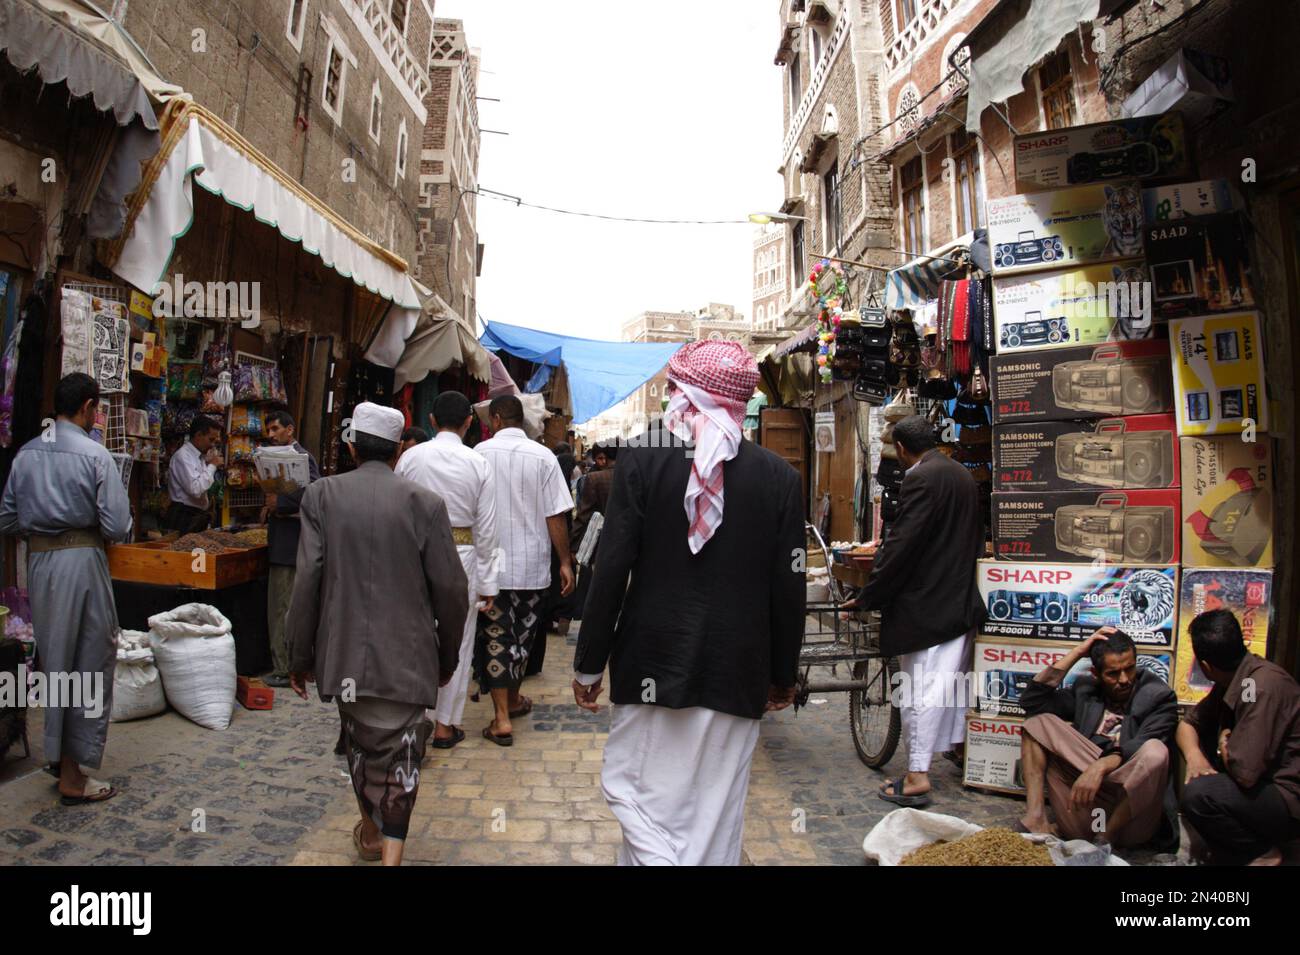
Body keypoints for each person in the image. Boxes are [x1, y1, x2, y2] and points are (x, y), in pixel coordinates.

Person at [573, 340, 806, 865]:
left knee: (642, 797)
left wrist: (589, 665)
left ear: (686, 392)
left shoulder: (641, 459)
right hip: (737, 669)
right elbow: (787, 586)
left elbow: (611, 569)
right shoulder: (779, 477)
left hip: (651, 662)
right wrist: (783, 674)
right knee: (714, 815)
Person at [286, 402, 468, 865]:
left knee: (360, 742)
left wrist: (298, 656)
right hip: (407, 657)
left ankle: (371, 832)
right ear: (397, 451)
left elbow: (307, 580)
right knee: (403, 755)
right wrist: (446, 657)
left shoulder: (321, 496)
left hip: (344, 654)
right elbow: (450, 589)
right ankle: (385, 850)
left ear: (351, 445)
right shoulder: (425, 504)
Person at [0, 373, 132, 804]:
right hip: (82, 562)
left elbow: (7, 519)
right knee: (88, 662)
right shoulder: (95, 455)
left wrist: (42, 532)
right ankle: (73, 775)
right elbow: (117, 526)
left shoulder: (26, 454)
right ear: (89, 407)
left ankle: (59, 756)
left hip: (40, 564)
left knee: (55, 660)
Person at [856, 414, 985, 807]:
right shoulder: (961, 474)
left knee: (921, 691)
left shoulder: (920, 478)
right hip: (959, 599)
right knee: (950, 688)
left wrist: (870, 594)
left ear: (901, 449)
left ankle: (915, 776)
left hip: (929, 606)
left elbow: (902, 545)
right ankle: (957, 751)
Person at [395, 390, 498, 750]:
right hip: (463, 554)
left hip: (414, 553)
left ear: (432, 421)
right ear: (469, 423)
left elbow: (395, 513)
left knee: (413, 634)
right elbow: (487, 529)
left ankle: (415, 717)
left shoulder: (410, 459)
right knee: (459, 638)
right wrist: (488, 582)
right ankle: (444, 725)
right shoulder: (478, 464)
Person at [472, 395, 574, 744]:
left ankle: (504, 712)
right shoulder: (543, 456)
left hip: (491, 567)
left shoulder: (479, 454)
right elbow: (555, 514)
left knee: (498, 636)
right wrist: (564, 561)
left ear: (497, 419)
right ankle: (508, 707)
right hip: (531, 568)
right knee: (522, 636)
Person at [1019, 628, 1179, 847]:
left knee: (1155, 751)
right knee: (1035, 724)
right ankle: (1036, 819)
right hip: (1086, 809)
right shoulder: (1086, 690)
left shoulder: (1158, 696)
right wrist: (1077, 652)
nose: (1124, 680)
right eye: (1113, 674)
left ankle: (1105, 840)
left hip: (1131, 816)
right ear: (1096, 673)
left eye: (1130, 669)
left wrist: (1100, 766)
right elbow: (1032, 702)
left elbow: (1143, 744)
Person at [1177, 608, 1300, 865]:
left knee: (1199, 794)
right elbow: (1187, 725)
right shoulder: (1236, 679)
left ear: (1205, 666)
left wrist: (1225, 746)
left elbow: (1245, 772)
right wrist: (1194, 756)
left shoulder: (1260, 685)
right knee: (1200, 772)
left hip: (1288, 798)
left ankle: (1262, 854)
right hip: (1262, 791)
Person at [261, 410, 319, 689]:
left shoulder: (302, 458)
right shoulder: (278, 456)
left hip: (291, 543)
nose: (271, 435)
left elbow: (313, 492)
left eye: (275, 429)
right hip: (285, 540)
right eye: (269, 430)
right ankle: (289, 664)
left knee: (283, 607)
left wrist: (280, 504)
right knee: (284, 605)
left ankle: (284, 668)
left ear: (290, 430)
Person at [568, 441, 618, 621]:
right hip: (623, 542)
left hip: (597, 544)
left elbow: (583, 515)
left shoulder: (595, 479)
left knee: (591, 584)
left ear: (603, 458)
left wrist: (573, 545)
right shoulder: (632, 476)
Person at [164, 415, 222, 532]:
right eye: (211, 439)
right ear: (198, 435)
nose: (212, 445)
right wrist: (212, 465)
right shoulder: (183, 456)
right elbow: (195, 489)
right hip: (184, 516)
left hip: (194, 515)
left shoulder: (199, 457)